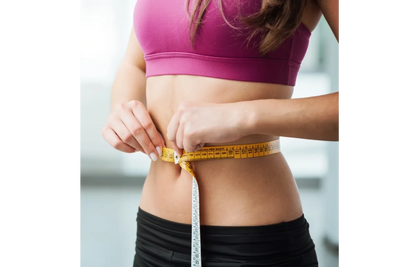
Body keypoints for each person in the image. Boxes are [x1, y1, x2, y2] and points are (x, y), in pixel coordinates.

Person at [102, 0, 342, 266]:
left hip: (251, 243)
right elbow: (136, 63)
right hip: (153, 233)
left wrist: (241, 116)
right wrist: (122, 109)